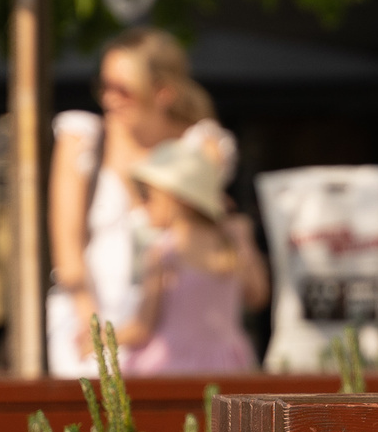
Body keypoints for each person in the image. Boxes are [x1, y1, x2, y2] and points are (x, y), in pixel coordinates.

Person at [48, 29, 263, 377]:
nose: (109, 98)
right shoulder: (83, 138)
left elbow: (214, 239)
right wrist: (95, 329)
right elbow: (67, 249)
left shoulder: (199, 144)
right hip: (90, 318)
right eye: (103, 85)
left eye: (123, 89)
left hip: (174, 334)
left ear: (163, 92)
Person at [114, 139, 264, 375]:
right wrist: (243, 242)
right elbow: (258, 294)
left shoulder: (161, 252)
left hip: (170, 364)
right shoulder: (229, 243)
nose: (144, 205)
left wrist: (103, 337)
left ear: (175, 197)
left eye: (148, 195)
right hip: (228, 365)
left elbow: (142, 327)